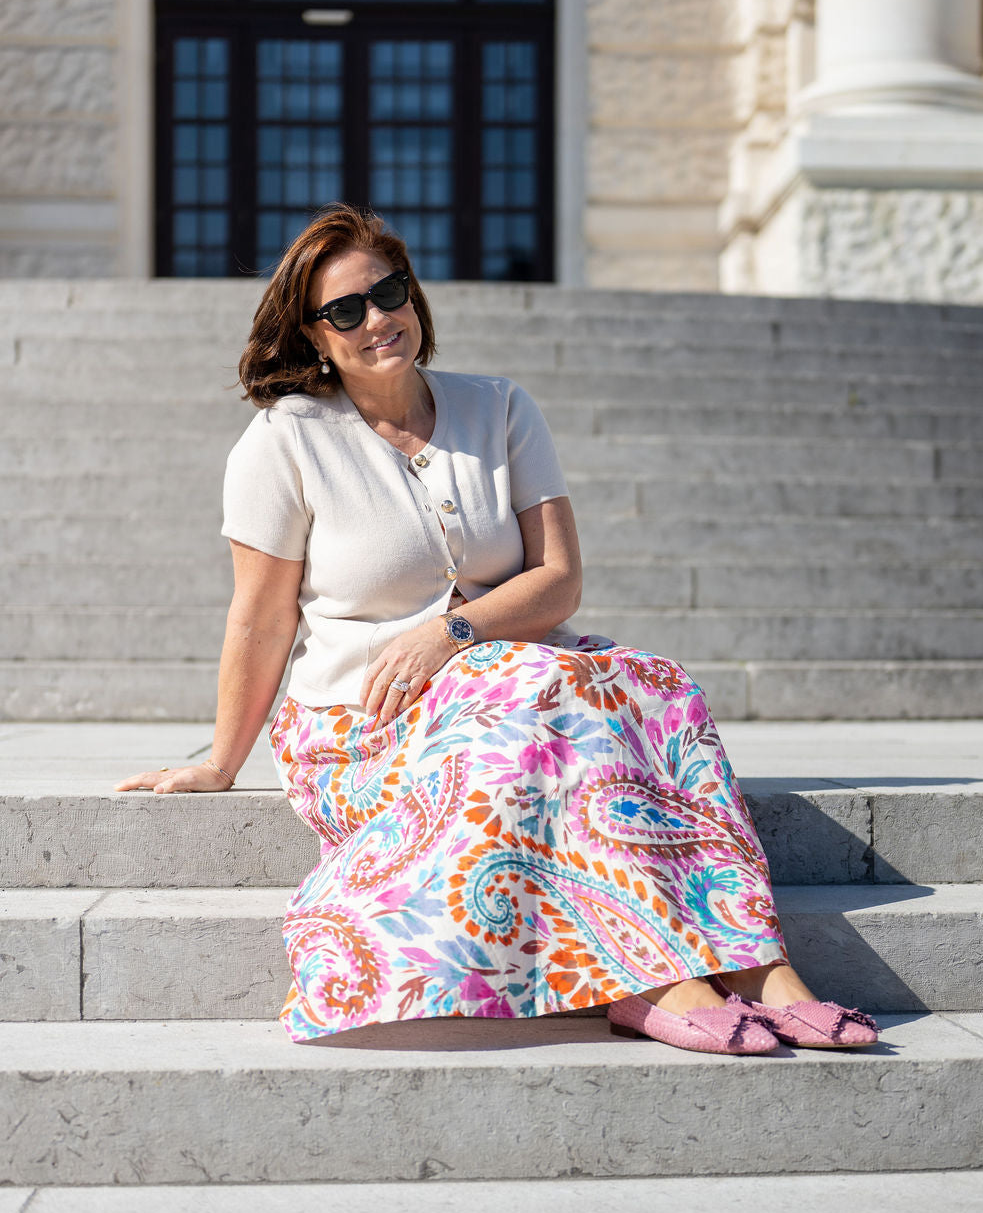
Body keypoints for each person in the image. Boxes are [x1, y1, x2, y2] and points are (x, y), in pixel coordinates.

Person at [117, 203, 877, 1056]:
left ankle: (756, 964)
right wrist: (221, 762)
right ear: (313, 335)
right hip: (364, 721)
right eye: (346, 311)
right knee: (540, 695)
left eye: (390, 292)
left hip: (513, 676)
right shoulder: (283, 441)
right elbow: (259, 620)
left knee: (657, 690)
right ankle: (654, 980)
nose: (378, 319)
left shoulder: (500, 408)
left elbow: (559, 579)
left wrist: (452, 633)